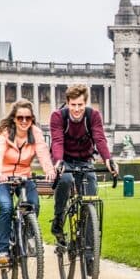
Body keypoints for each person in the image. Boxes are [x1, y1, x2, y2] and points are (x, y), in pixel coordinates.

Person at [0, 99, 55, 267]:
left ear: (32, 119)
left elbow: (43, 153)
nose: (24, 121)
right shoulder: (4, 134)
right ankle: (2, 251)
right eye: (20, 118)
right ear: (14, 119)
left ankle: (28, 236)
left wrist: (49, 170)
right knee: (6, 207)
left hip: (24, 177)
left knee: (33, 204)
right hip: (0, 178)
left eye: (28, 118)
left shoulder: (36, 133)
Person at [49, 84, 118, 244]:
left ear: (86, 103)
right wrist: (58, 162)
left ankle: (89, 250)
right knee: (64, 180)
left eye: (80, 105)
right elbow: (57, 141)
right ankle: (58, 220)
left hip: (85, 160)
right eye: (73, 105)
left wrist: (108, 159)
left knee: (91, 192)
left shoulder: (93, 115)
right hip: (65, 159)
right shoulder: (58, 116)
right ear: (67, 103)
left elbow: (99, 138)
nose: (77, 109)